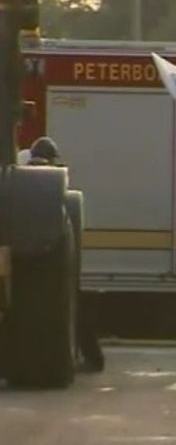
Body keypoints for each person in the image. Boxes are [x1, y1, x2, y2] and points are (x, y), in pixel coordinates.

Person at [24, 136, 105, 372]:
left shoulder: (21, 178)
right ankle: (93, 359)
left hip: (24, 263)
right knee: (75, 310)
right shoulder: (51, 182)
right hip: (51, 260)